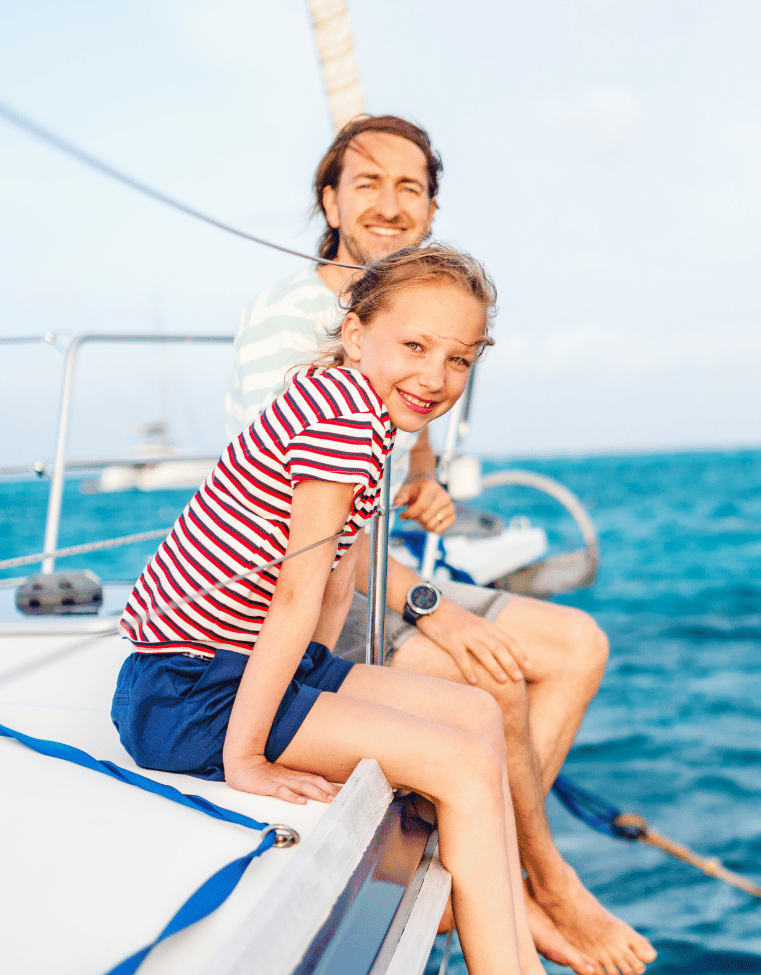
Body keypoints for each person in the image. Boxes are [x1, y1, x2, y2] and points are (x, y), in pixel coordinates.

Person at [224, 115, 652, 975]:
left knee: (577, 644)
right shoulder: (301, 322)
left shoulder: (419, 322)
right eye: (368, 182)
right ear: (330, 200)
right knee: (495, 680)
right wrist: (436, 609)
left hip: (379, 568)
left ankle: (522, 882)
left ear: (430, 207)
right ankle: (538, 884)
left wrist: (425, 483)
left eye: (410, 186)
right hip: (319, 603)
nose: (390, 203)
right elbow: (306, 530)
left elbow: (393, 472)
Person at [115, 245, 540, 975]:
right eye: (414, 346)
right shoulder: (344, 418)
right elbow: (296, 592)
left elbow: (341, 584)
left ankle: (510, 936)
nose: (435, 377)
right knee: (465, 765)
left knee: (475, 715)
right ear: (355, 333)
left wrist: (326, 693)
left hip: (235, 666)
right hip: (189, 690)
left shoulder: (358, 409)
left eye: (460, 359)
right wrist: (245, 757)